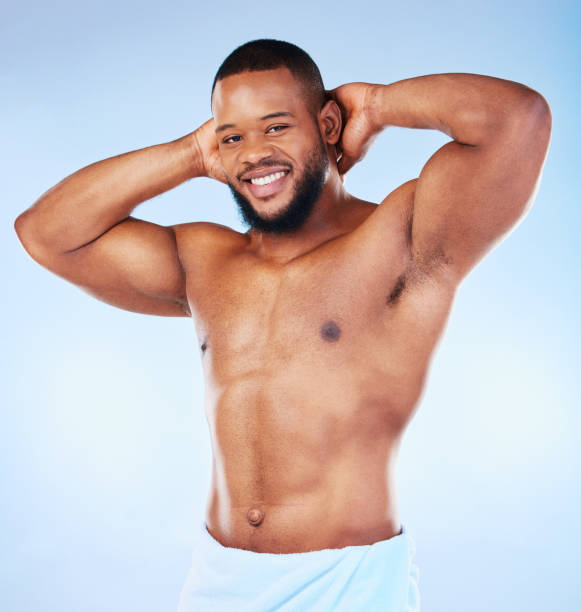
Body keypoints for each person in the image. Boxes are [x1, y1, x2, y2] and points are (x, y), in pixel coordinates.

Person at [14, 39, 551, 611]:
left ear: (325, 124)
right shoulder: (205, 260)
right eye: (233, 137)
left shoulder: (404, 240)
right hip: (219, 580)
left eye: (274, 128)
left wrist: (375, 105)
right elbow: (45, 232)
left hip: (348, 586)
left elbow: (518, 119)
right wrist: (191, 153)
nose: (253, 154)